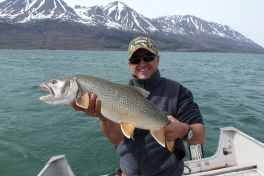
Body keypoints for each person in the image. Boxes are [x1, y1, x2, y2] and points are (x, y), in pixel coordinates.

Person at [71, 36, 206, 175]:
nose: (142, 63)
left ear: (157, 59)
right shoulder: (117, 94)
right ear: (130, 64)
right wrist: (103, 116)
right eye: (136, 59)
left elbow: (200, 136)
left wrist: (183, 130)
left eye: (148, 57)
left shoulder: (178, 92)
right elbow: (116, 139)